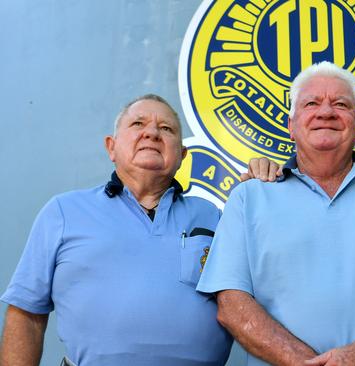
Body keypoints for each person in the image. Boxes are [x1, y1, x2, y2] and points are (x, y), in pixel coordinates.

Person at [196, 61, 355, 366]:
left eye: (340, 104)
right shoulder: (249, 197)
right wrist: (305, 363)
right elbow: (231, 304)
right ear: (291, 126)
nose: (326, 112)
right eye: (311, 103)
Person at [0, 94, 280, 366]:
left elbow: (271, 284)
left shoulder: (215, 216)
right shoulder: (63, 212)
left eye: (166, 129)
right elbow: (27, 315)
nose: (153, 134)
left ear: (182, 155)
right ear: (111, 146)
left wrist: (262, 192)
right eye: (138, 124)